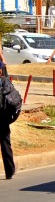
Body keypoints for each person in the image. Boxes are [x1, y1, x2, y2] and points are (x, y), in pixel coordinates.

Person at [0, 44, 14, 179]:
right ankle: (9, 170)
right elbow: (15, 100)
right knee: (5, 143)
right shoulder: (6, 83)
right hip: (3, 117)